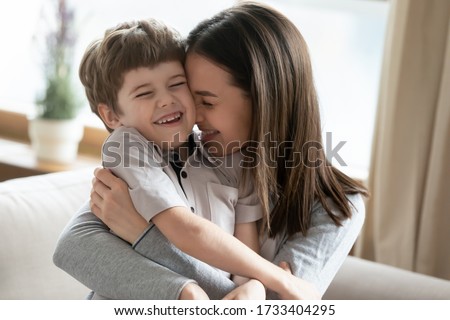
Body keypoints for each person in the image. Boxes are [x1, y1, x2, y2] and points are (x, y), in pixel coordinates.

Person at [54, 2, 368, 300]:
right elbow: (75, 247)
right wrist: (251, 285)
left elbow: (272, 305)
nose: (193, 116)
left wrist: (145, 235)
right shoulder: (175, 150)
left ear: (262, 98)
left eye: (206, 101)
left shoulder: (334, 208)